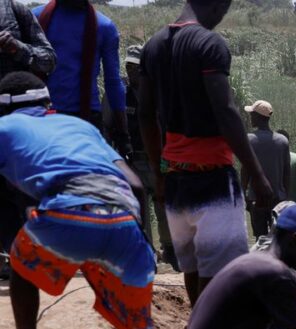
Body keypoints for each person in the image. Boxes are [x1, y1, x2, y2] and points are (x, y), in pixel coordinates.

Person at [0, 72, 191, 329]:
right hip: (123, 218)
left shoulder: (5, 125)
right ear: (46, 103)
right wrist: (139, 243)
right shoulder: (80, 126)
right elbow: (137, 185)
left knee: (20, 266)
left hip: (68, 210)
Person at [138, 0, 273, 306]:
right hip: (212, 177)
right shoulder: (209, 44)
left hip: (173, 179)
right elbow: (225, 112)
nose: (220, 17)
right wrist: (256, 173)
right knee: (222, 270)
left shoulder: (153, 46)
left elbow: (145, 115)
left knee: (193, 265)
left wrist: (159, 174)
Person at [0, 0, 55, 281]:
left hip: (23, 125)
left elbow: (48, 60)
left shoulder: (15, 11)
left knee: (28, 194)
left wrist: (17, 48)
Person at [114, 44, 178, 270]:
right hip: (134, 160)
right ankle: (146, 251)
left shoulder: (160, 94)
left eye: (135, 66)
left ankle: (170, 250)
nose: (131, 71)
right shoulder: (121, 93)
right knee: (139, 207)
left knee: (164, 205)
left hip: (160, 160)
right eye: (128, 66)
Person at [32, 0, 125, 138]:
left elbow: (113, 82)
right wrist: (124, 134)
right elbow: (113, 82)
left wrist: (124, 134)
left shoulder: (105, 27)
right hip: (46, 114)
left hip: (81, 117)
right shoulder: (34, 18)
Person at [241, 100, 290, 238]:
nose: (250, 118)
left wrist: (243, 193)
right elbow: (287, 172)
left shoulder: (250, 139)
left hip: (256, 199)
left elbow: (245, 170)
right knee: (279, 239)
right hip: (278, 200)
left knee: (260, 238)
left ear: (258, 117)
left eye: (252, 115)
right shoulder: (282, 141)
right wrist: (286, 197)